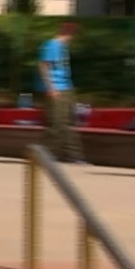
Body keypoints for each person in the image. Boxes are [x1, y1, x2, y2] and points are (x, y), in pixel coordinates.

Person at [36, 21, 88, 165]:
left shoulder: (63, 47)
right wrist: (50, 88)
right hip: (56, 88)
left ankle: (74, 155)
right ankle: (43, 155)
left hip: (66, 88)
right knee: (57, 124)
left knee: (70, 123)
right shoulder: (52, 45)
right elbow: (43, 66)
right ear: (68, 34)